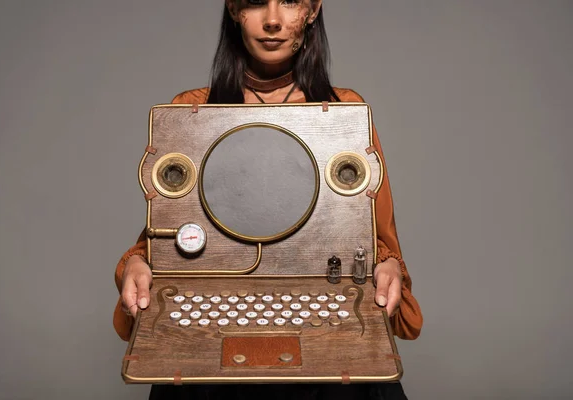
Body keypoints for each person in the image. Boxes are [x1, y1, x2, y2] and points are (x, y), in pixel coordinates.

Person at [114, 1, 423, 399]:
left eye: (290, 1)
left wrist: (387, 268)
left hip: (329, 308)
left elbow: (378, 239)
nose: (273, 20)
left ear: (313, 11)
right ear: (233, 10)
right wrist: (139, 260)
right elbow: (172, 233)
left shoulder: (346, 111)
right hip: (210, 310)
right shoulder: (189, 111)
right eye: (257, 1)